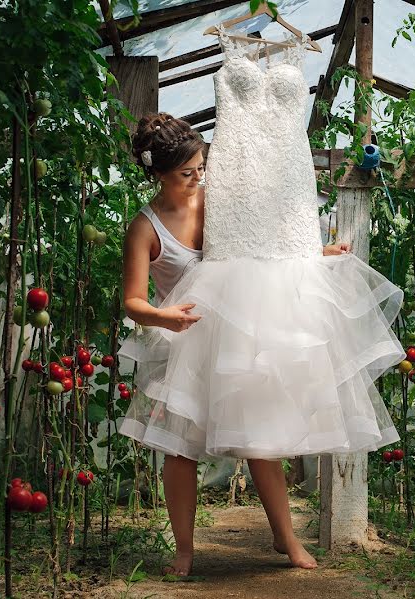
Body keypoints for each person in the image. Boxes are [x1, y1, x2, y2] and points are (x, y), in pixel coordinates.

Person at [121, 113, 351, 576]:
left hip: (238, 338)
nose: (198, 178)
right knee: (180, 449)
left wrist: (316, 254)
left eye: (201, 168)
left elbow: (262, 247)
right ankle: (184, 550)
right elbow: (133, 301)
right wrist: (162, 315)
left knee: (260, 439)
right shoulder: (145, 228)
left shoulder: (217, 202)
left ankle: (287, 539)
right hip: (186, 344)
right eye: (187, 172)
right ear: (157, 173)